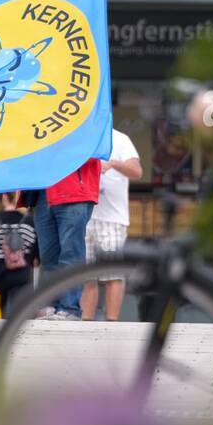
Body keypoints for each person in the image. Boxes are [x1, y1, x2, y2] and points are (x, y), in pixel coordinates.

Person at [81, 129, 142, 322]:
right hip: (86, 215)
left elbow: (137, 171)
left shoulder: (120, 139)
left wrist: (114, 163)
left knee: (112, 274)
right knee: (86, 276)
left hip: (112, 218)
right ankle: (86, 321)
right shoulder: (85, 135)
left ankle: (112, 321)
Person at [32, 158, 101, 320]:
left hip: (73, 188)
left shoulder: (87, 130)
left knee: (71, 252)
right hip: (43, 190)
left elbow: (96, 147)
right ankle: (55, 306)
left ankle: (69, 308)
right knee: (49, 256)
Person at [0, 192, 39, 317]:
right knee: (21, 314)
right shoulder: (29, 221)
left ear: (4, 198)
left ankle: (2, 335)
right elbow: (36, 251)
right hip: (22, 274)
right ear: (18, 197)